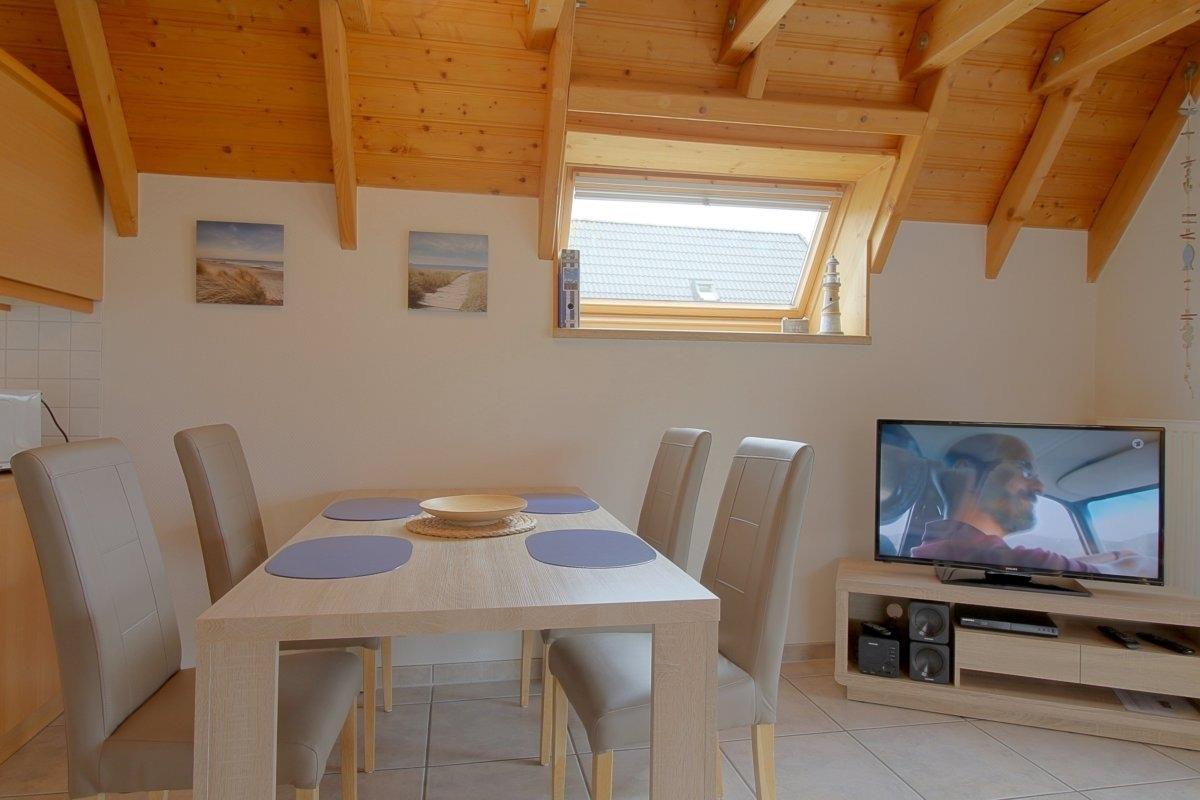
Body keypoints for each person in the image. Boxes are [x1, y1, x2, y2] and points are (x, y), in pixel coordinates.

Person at [911, 433, 1136, 574]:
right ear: (966, 471)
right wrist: (1133, 560)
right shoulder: (1008, 559)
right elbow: (1127, 572)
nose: (1040, 487)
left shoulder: (939, 550)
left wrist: (1114, 555)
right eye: (1025, 469)